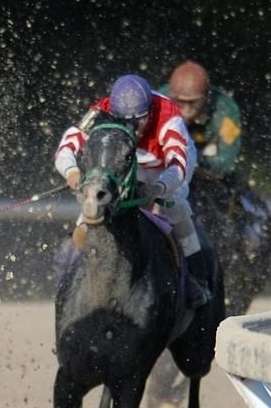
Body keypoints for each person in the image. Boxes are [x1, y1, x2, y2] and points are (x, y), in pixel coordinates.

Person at [54, 72, 212, 309]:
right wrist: (72, 172)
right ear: (113, 110)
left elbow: (178, 165)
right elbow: (67, 146)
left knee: (176, 209)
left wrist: (158, 188)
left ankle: (196, 280)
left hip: (165, 168)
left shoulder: (169, 115)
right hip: (124, 164)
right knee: (88, 217)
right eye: (124, 120)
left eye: (140, 119)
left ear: (150, 108)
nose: (134, 128)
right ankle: (66, 279)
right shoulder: (100, 112)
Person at [161, 60, 242, 182]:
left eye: (194, 102)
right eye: (181, 102)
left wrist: (195, 163)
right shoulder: (159, 102)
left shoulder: (226, 113)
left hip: (205, 170)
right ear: (172, 97)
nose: (187, 110)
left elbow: (228, 158)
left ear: (207, 97)